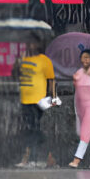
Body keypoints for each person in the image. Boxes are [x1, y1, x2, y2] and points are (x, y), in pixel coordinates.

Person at [15, 39, 58, 168]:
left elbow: (51, 80)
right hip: (24, 99)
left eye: (33, 43)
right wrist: (18, 62)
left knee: (32, 126)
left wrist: (53, 97)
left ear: (39, 45)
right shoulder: (23, 58)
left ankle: (32, 158)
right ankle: (35, 153)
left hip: (38, 100)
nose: (30, 45)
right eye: (28, 43)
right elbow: (15, 74)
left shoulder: (45, 60)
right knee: (31, 127)